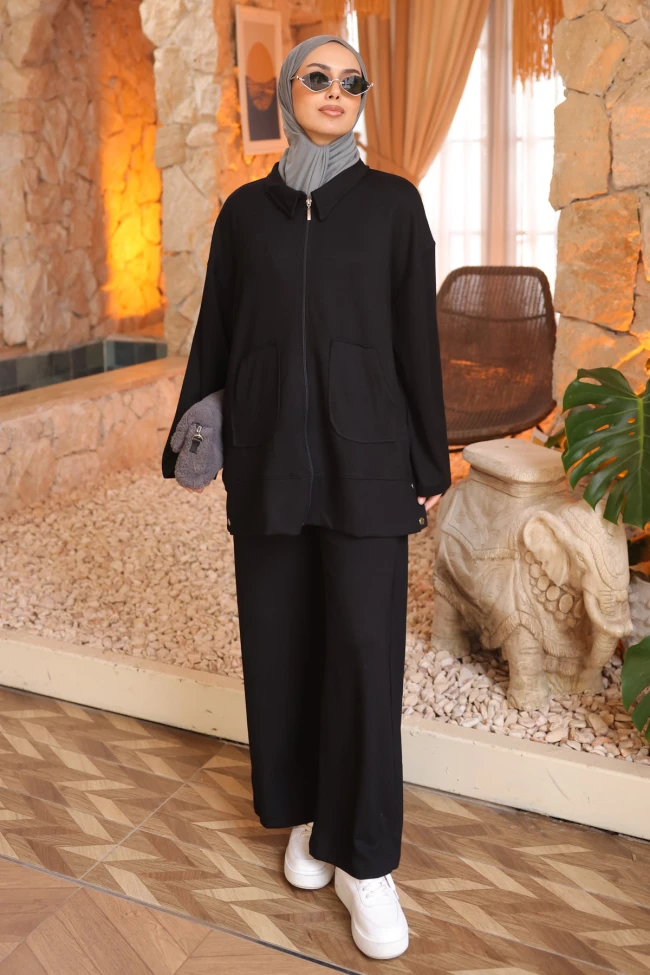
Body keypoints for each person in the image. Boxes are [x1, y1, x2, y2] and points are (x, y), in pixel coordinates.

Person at [161, 33, 451, 961]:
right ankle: (306, 818)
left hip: (369, 464)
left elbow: (416, 343)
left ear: (362, 98)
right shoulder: (245, 215)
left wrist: (429, 465)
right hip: (270, 461)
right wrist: (194, 440)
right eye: (317, 77)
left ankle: (366, 859)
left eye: (350, 81)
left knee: (364, 653)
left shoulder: (395, 207)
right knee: (281, 645)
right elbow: (216, 332)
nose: (335, 90)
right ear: (289, 92)